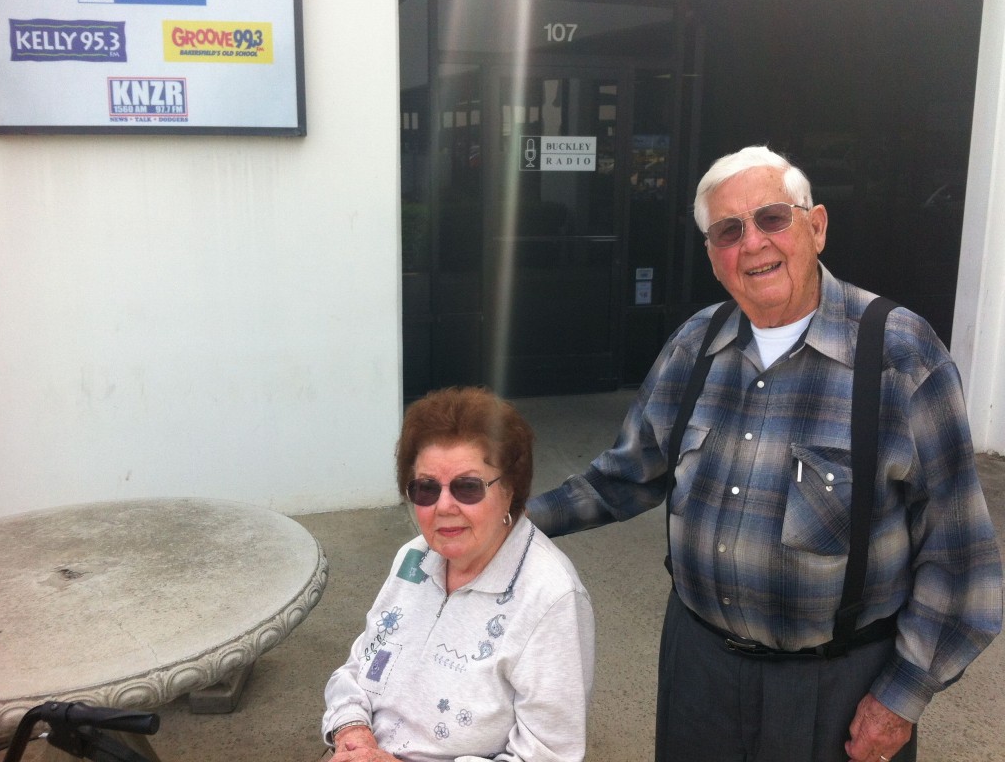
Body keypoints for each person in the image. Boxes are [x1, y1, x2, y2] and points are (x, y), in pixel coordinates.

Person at [527, 146, 1002, 762]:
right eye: (728, 230)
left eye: (772, 218)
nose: (752, 243)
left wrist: (901, 698)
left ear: (817, 226)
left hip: (837, 688)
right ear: (713, 256)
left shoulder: (900, 355)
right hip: (700, 675)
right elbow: (623, 476)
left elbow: (960, 557)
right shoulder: (695, 345)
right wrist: (508, 518)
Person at [322, 386, 595, 762]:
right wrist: (353, 731)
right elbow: (359, 666)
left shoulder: (549, 596)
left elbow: (548, 755)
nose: (444, 507)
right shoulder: (414, 558)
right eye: (426, 488)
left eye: (468, 487)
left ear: (510, 490)